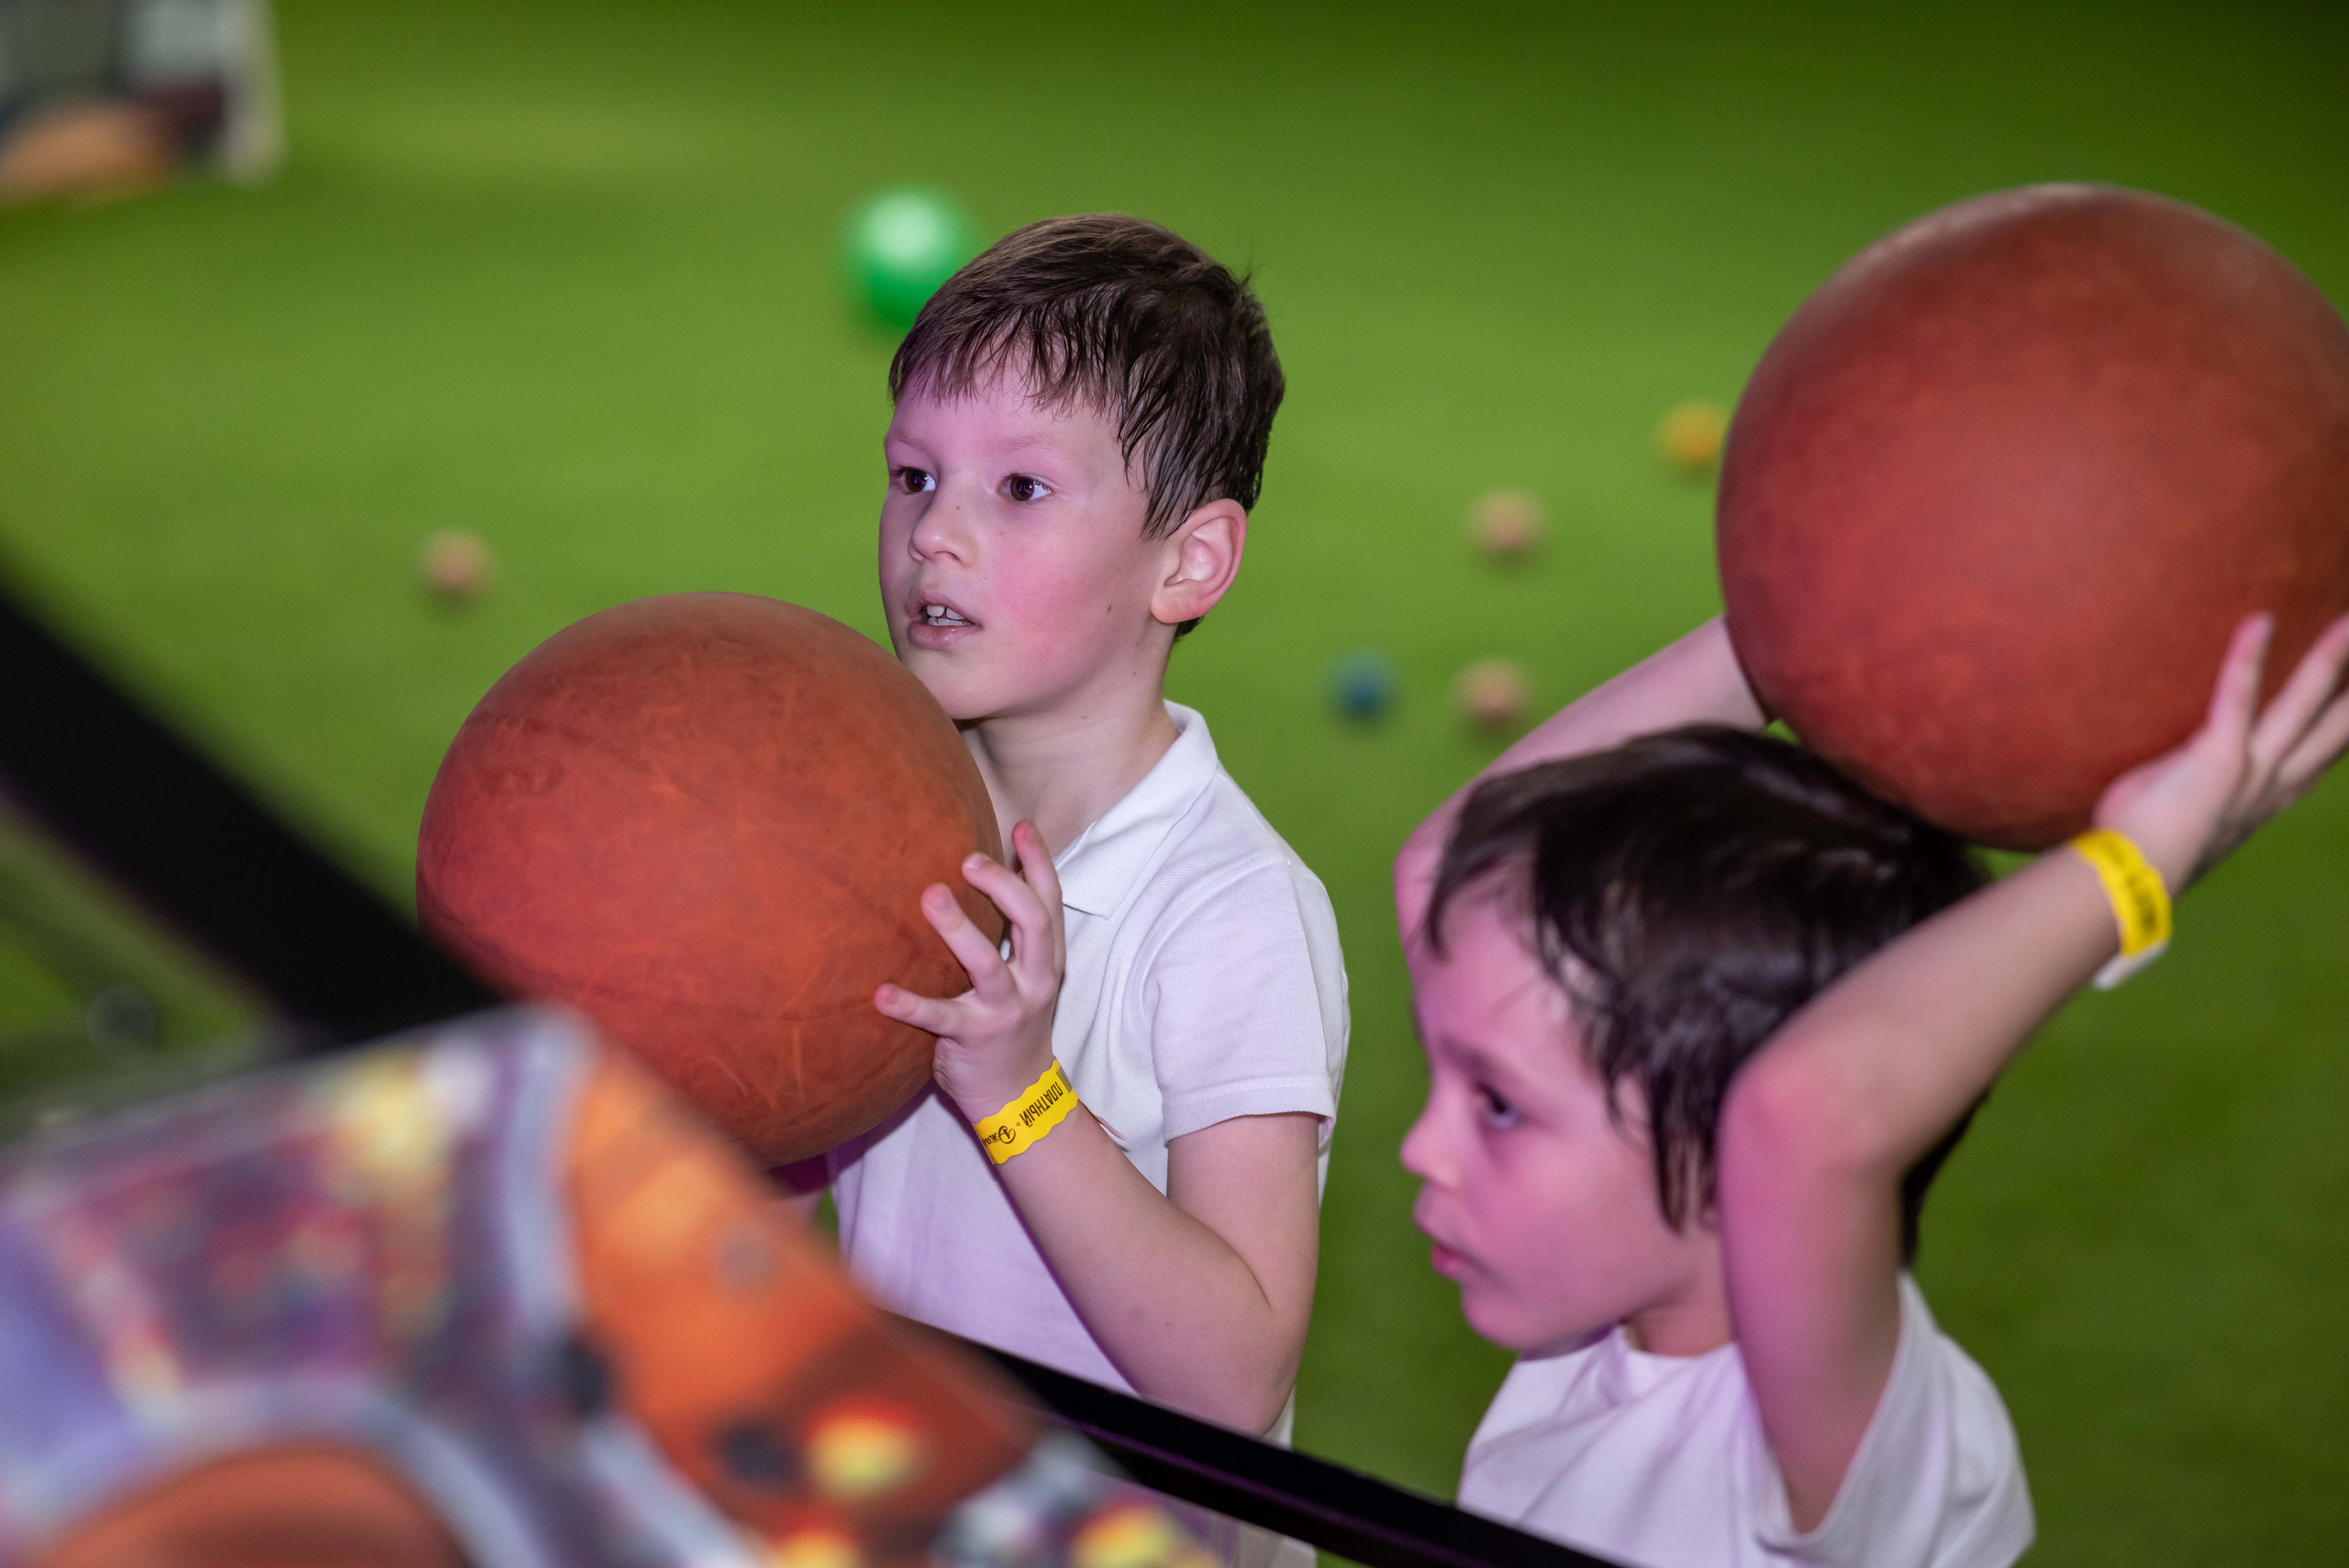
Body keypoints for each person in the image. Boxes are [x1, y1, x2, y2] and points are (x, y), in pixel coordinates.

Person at [1393, 612, 2349, 1568]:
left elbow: (1807, 1113)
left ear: (1738, 1168)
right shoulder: (1613, 1329)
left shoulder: (1821, 1448)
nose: (1419, 1147)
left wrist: (2133, 869)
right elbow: (1443, 870)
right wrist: (1805, 609)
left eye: (1500, 1106)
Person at [807, 214, 1348, 1450]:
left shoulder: (1231, 909)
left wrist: (1018, 1094)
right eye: (913, 475)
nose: (934, 532)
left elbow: (1236, 1378)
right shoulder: (874, 820)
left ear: (1190, 562)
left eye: (1022, 487)